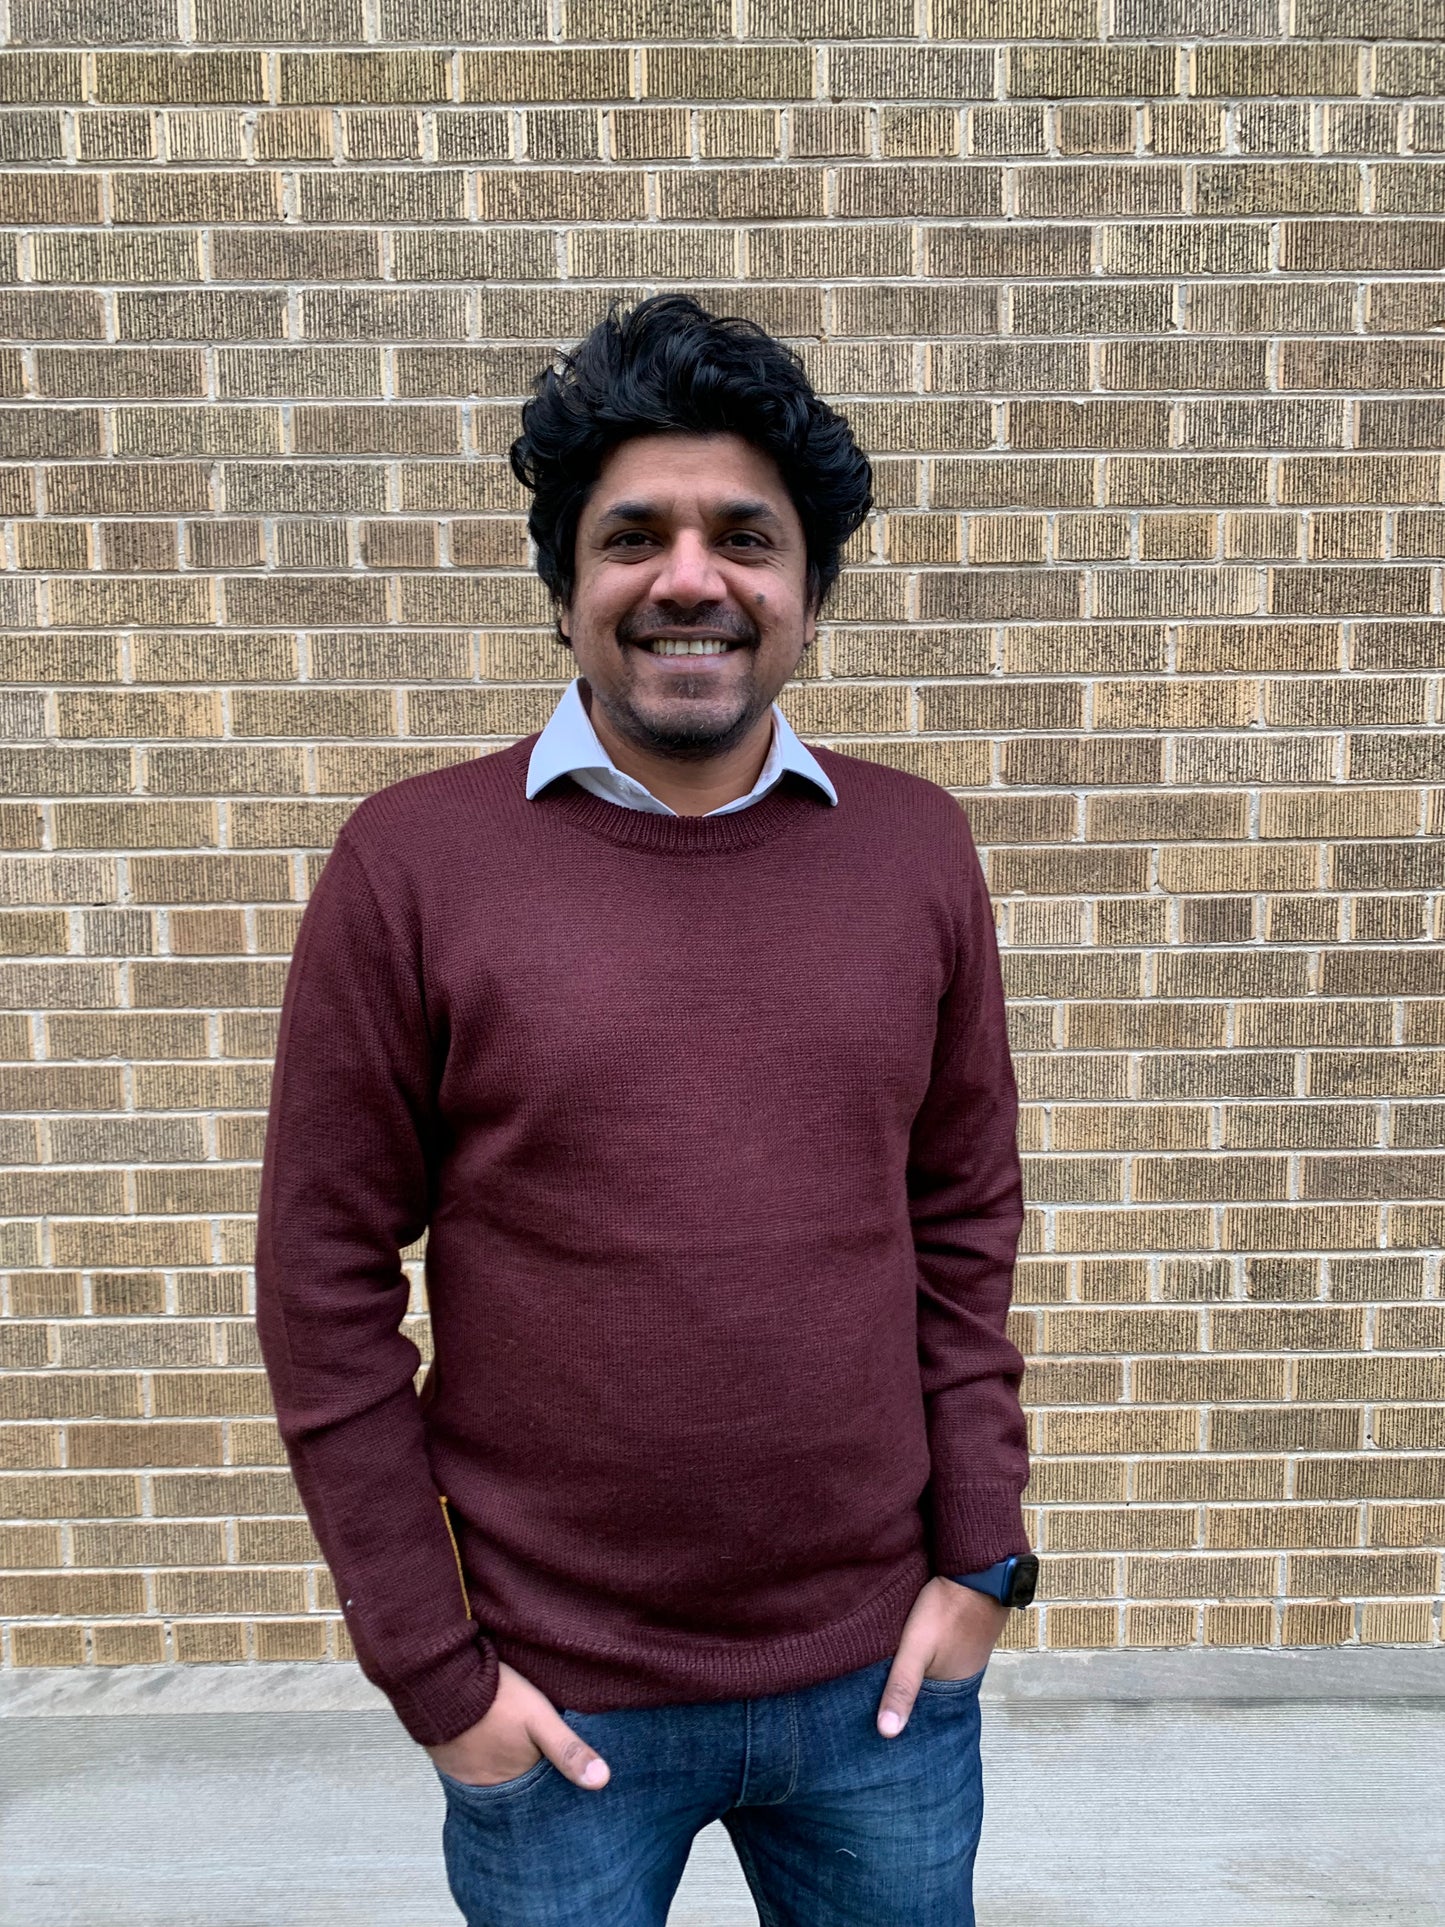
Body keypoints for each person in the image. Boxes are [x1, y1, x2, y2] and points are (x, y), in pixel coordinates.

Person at [255, 293, 1036, 1927]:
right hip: (557, 1715)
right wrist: (438, 1681)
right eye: (633, 538)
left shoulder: (914, 851)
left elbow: (962, 1220)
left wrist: (980, 1562)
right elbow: (323, 1283)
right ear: (565, 592)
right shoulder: (413, 866)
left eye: (744, 537)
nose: (691, 577)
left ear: (808, 596)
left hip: (879, 1694)